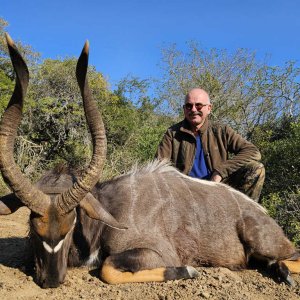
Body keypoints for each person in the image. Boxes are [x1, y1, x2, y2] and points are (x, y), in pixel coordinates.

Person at [156, 88, 265, 202]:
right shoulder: (172, 133)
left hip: (218, 186)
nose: (193, 110)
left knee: (256, 168)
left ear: (209, 108)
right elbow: (159, 166)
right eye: (189, 106)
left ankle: (243, 215)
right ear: (184, 109)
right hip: (186, 191)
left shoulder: (221, 130)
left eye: (198, 106)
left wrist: (220, 171)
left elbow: (253, 151)